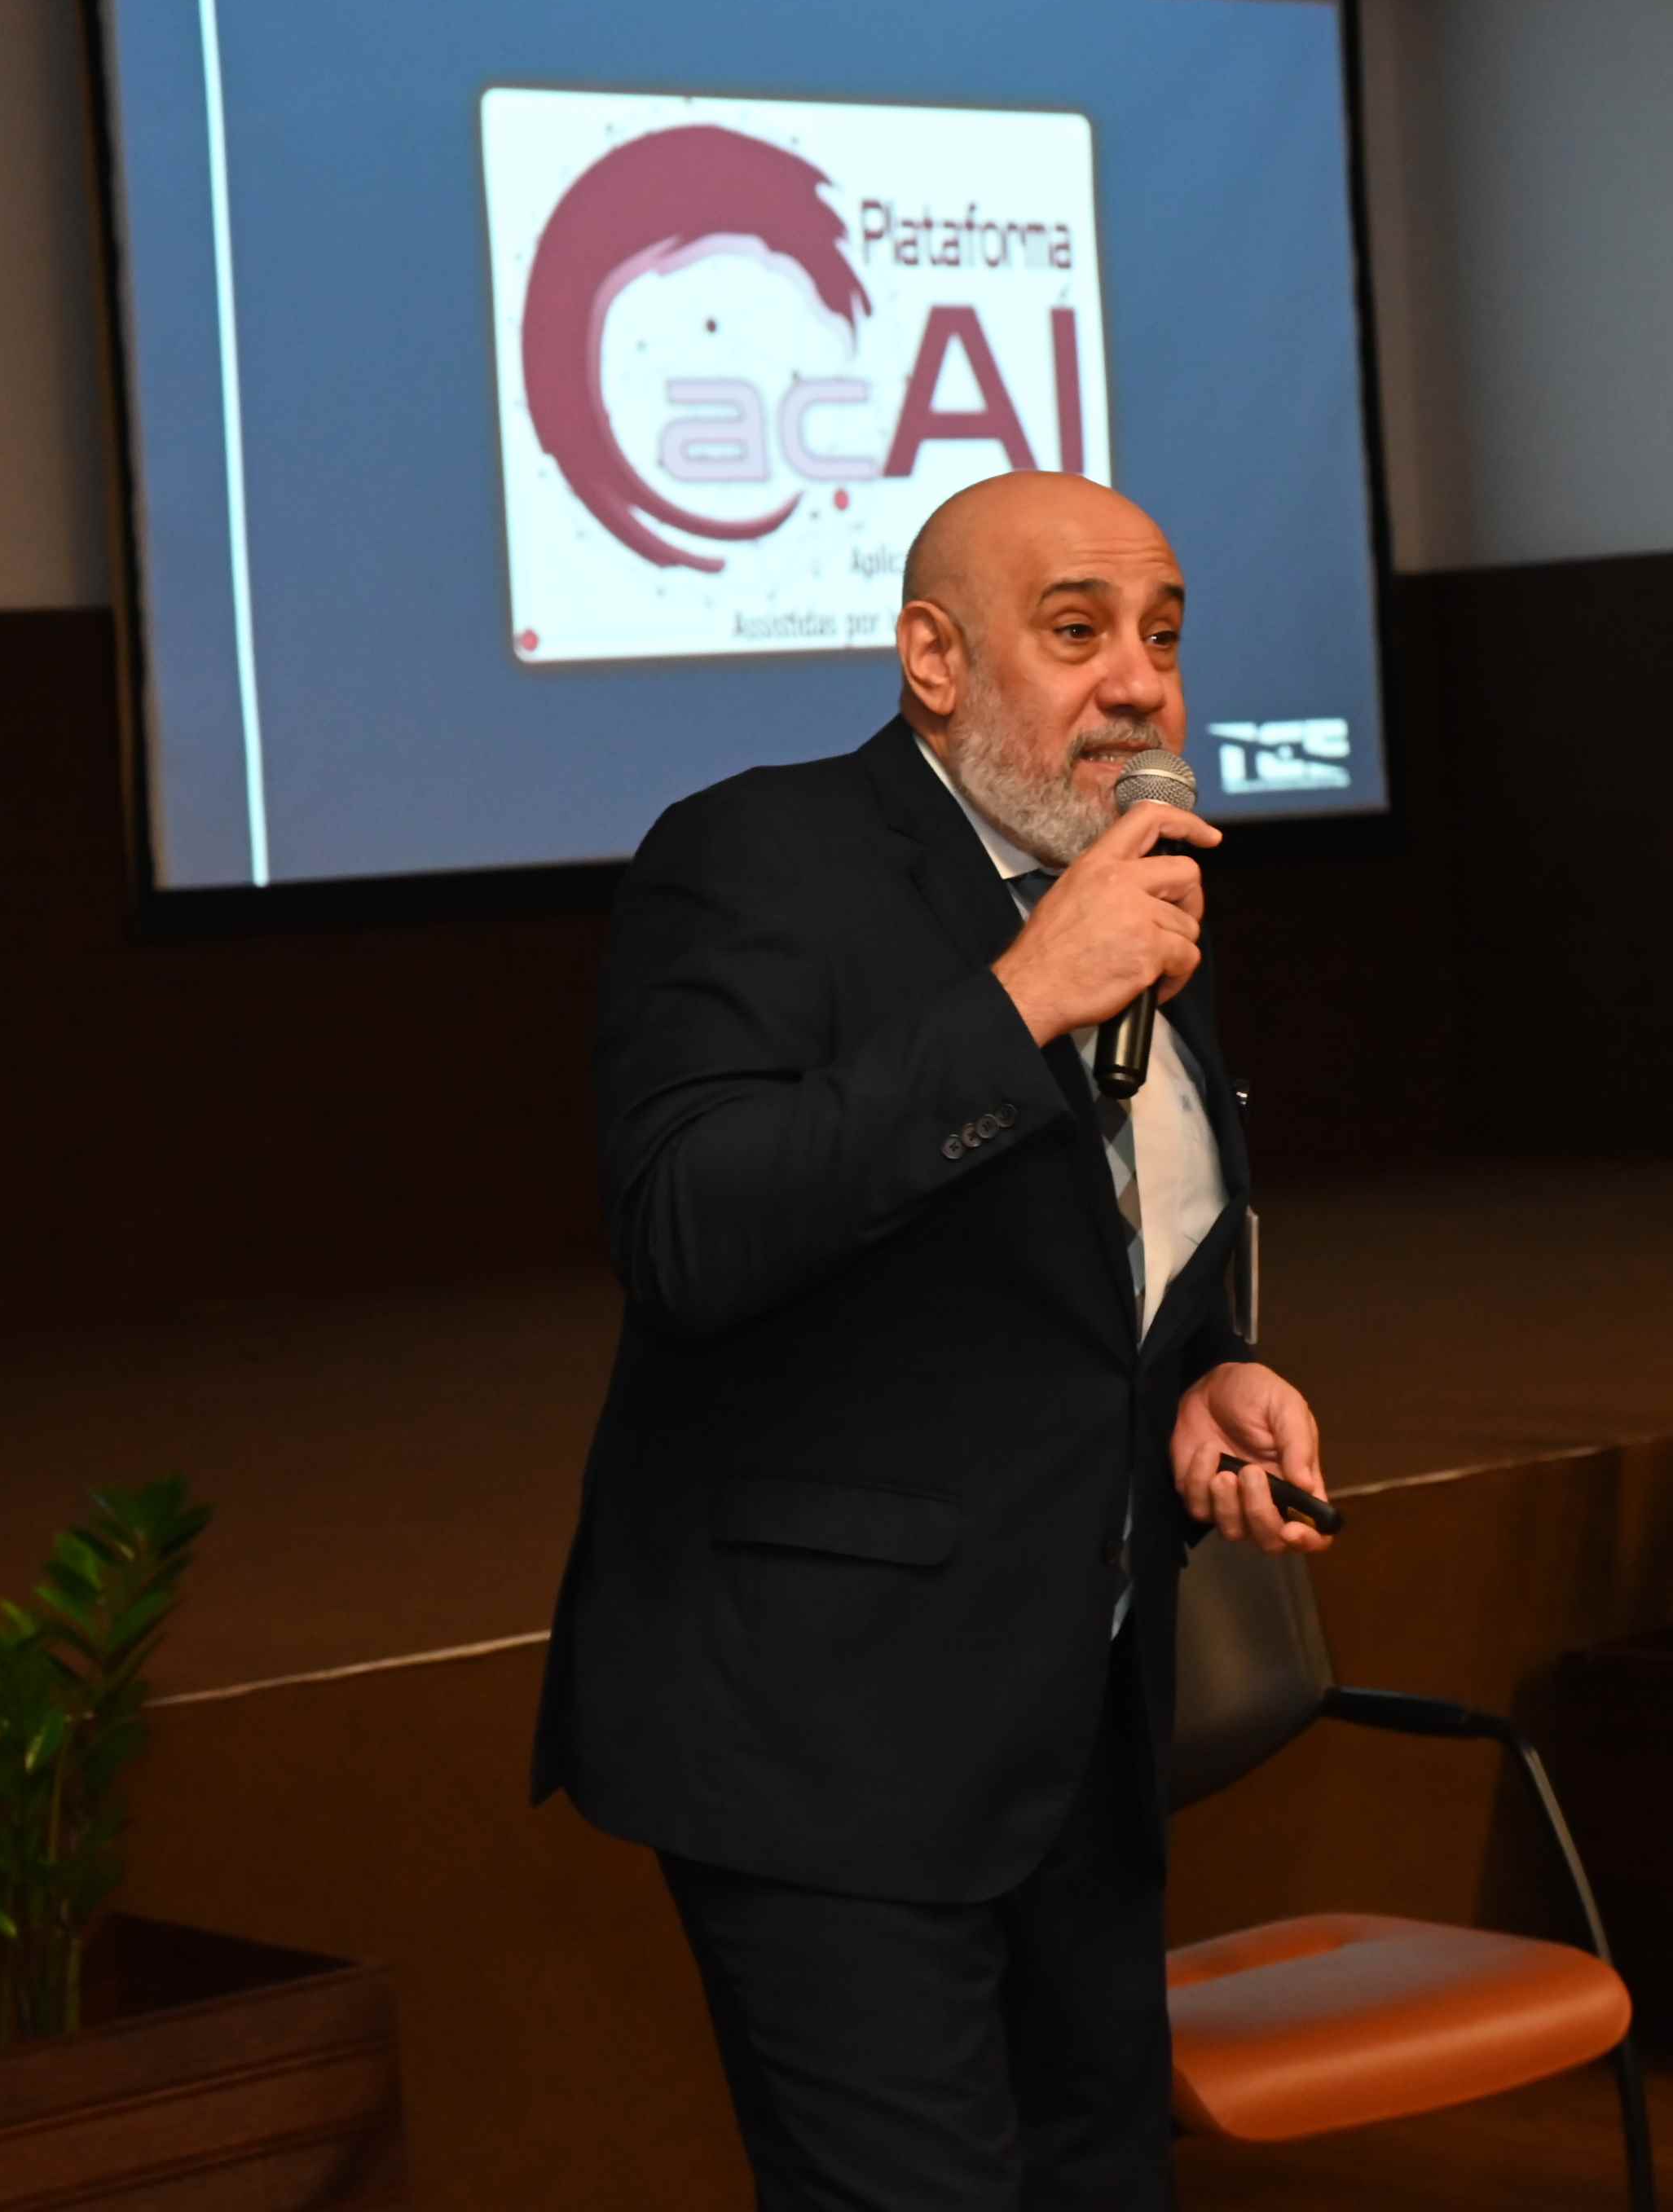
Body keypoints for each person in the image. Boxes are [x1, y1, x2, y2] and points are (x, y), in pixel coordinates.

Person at [532, 470, 1335, 2209]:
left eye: (1163, 636)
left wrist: (1206, 1371)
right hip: (825, 1733)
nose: (1139, 683)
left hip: (1077, 1726)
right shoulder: (760, 857)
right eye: (1078, 631)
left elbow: (1108, 1255)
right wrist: (1025, 993)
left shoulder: (1141, 898)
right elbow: (689, 1228)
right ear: (934, 659)